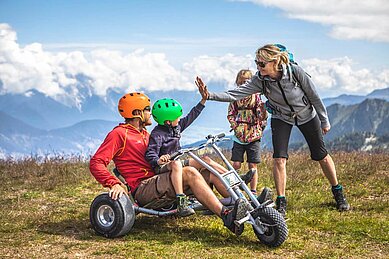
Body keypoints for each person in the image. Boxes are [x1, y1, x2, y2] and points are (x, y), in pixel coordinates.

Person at [195, 44, 350, 217]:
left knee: (321, 155)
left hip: (306, 115)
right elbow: (235, 94)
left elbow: (313, 95)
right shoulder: (260, 80)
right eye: (257, 63)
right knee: (279, 159)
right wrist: (209, 95)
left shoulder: (294, 72)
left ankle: (338, 192)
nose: (258, 67)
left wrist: (324, 120)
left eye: (262, 64)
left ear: (275, 62)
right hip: (281, 117)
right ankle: (281, 201)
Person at [89, 92, 250, 235]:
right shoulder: (119, 134)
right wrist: (113, 183)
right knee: (189, 173)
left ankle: (242, 203)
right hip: (143, 187)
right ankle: (226, 216)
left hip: (161, 179)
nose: (150, 113)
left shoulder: (145, 134)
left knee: (207, 168)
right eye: (147, 109)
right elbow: (96, 162)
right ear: (137, 113)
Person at [227, 69, 268, 196]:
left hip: (254, 135)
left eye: (247, 81)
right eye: (242, 81)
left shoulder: (256, 97)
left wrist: (262, 114)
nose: (244, 83)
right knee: (236, 164)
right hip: (239, 136)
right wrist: (235, 127)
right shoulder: (235, 97)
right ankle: (234, 187)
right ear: (238, 82)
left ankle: (253, 191)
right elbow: (230, 114)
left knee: (253, 164)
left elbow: (261, 116)